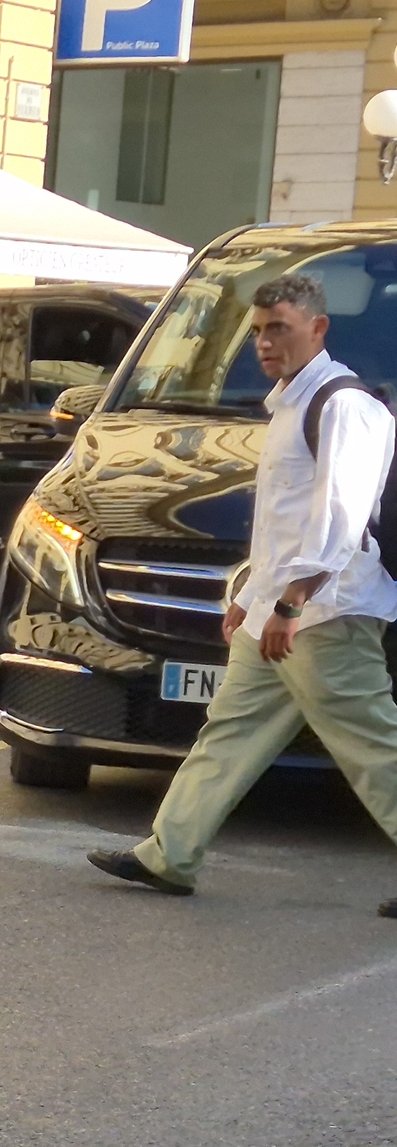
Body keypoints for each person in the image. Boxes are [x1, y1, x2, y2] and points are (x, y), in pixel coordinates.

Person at [89, 272, 397, 913]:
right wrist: (252, 595)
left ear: (318, 328)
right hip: (281, 612)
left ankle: (169, 855)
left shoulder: (344, 405)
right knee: (229, 732)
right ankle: (168, 857)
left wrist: (290, 602)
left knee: (373, 747)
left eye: (278, 328)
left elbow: (339, 520)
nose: (264, 342)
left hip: (328, 615)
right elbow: (282, 523)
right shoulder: (289, 405)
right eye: (257, 331)